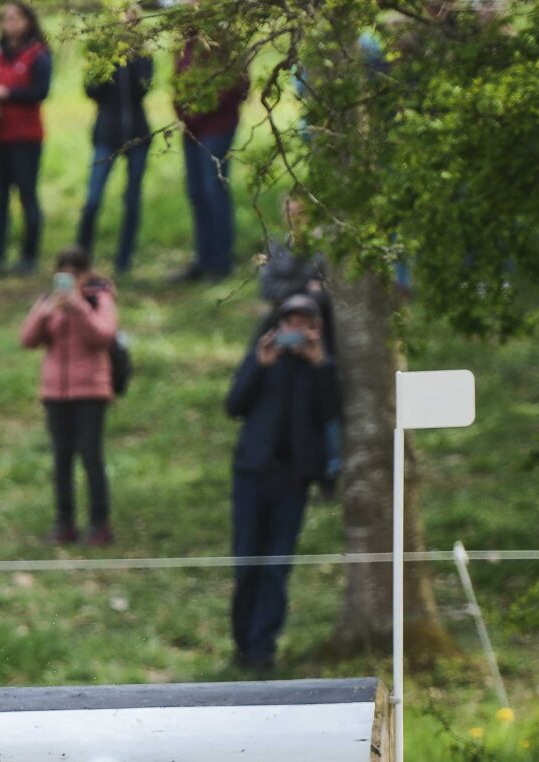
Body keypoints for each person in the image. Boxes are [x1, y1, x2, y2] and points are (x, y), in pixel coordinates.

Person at [223, 293, 341, 672]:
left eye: (304, 321)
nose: (295, 328)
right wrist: (260, 366)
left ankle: (262, 648)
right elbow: (233, 405)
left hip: (293, 479)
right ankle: (242, 642)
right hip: (252, 474)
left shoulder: (322, 367)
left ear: (316, 327)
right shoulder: (262, 359)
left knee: (276, 567)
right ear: (279, 324)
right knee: (247, 562)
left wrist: (320, 363)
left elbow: (333, 413)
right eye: (290, 321)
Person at [19, 245, 119, 544]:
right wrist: (44, 314)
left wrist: (80, 309)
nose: (69, 279)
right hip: (56, 393)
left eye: (76, 273)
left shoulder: (98, 298)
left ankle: (99, 522)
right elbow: (27, 339)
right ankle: (64, 522)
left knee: (91, 456)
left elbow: (104, 335)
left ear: (86, 274)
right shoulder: (49, 302)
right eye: (64, 273)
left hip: (90, 390)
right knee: (62, 458)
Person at [0, 2, 52, 274]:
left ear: (27, 21)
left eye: (14, 17)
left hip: (26, 138)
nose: (9, 23)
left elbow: (41, 91)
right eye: (4, 18)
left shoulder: (38, 55)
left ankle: (28, 256)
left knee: (27, 197)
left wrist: (7, 94)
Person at [172, 37, 248, 282]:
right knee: (196, 192)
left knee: (214, 191)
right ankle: (203, 259)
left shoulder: (222, 39)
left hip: (217, 127)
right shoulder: (184, 42)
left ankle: (220, 262)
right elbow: (177, 83)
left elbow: (239, 85)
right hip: (192, 130)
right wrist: (185, 111)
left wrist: (203, 107)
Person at [76, 48, 154, 274]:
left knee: (131, 199)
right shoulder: (99, 53)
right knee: (93, 198)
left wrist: (131, 60)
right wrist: (107, 62)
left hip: (137, 134)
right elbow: (90, 90)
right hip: (106, 133)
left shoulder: (143, 54)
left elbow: (142, 88)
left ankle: (124, 259)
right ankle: (80, 257)